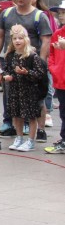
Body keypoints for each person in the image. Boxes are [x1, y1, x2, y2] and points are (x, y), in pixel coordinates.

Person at [2, 25, 46, 152]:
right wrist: (7, 76)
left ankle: (31, 141)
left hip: (29, 91)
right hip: (15, 90)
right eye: (15, 38)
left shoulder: (32, 56)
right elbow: (6, 69)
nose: (17, 41)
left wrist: (26, 72)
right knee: (16, 115)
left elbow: (40, 74)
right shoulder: (10, 55)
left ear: (26, 39)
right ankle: (19, 138)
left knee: (31, 116)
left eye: (20, 38)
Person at [46, 18, 65, 154]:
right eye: (61, 13)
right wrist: (54, 69)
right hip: (60, 80)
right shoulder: (58, 33)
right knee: (63, 112)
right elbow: (52, 53)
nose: (62, 15)